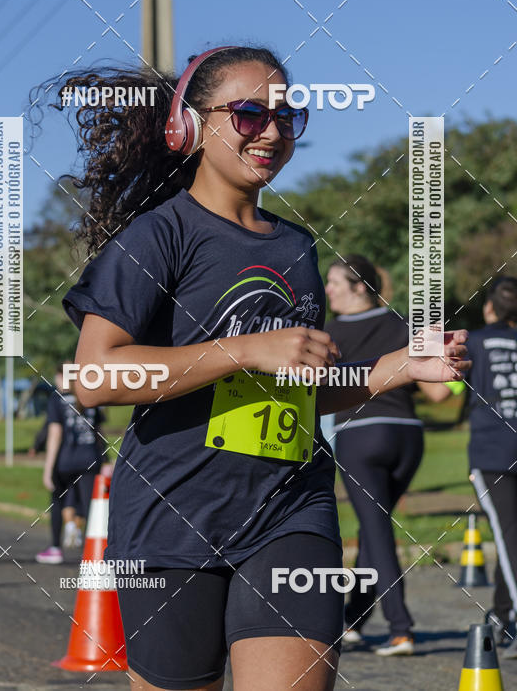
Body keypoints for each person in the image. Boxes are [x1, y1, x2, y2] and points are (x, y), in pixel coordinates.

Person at [43, 46, 469, 691]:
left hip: (289, 508)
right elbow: (97, 378)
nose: (269, 131)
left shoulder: (297, 245)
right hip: (172, 517)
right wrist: (242, 351)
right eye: (247, 114)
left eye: (285, 115)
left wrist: (391, 369)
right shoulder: (158, 237)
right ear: (189, 124)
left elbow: (296, 389)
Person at [324, 256, 450, 656]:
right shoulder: (403, 325)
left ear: (360, 287)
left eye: (334, 283)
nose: (328, 291)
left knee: (376, 529)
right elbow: (440, 393)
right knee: (373, 525)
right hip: (409, 438)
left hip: (360, 437)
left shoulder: (327, 333)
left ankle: (401, 629)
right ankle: (355, 620)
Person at [462, 276, 517, 659]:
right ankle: (502, 616)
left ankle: (507, 616)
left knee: (509, 538)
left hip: (492, 452)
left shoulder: (475, 343)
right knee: (511, 537)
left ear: (489, 308)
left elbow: (439, 390)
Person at [36, 362, 105, 564]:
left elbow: (55, 434)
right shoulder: (92, 397)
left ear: (62, 377)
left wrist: (48, 469)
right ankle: (91, 554)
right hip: (90, 458)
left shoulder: (56, 398)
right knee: (89, 505)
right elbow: (98, 432)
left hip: (65, 460)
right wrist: (105, 459)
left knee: (57, 501)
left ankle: (56, 548)